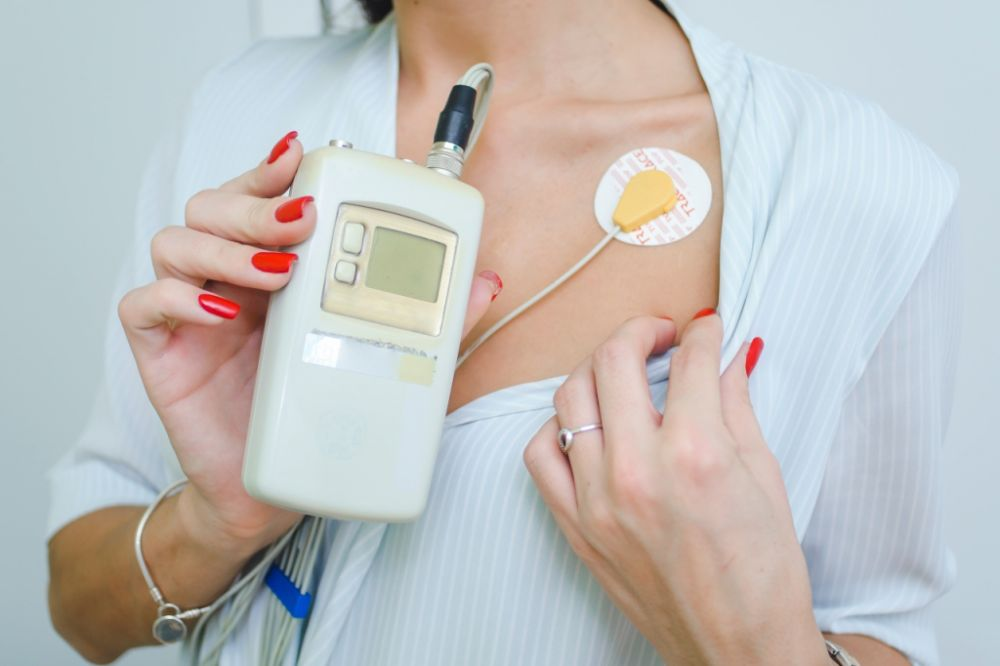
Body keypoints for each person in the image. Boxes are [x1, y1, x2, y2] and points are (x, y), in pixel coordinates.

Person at [46, 0, 960, 664]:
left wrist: (758, 651)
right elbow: (77, 606)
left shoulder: (857, 186)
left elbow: (884, 626)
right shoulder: (243, 110)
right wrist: (219, 520)